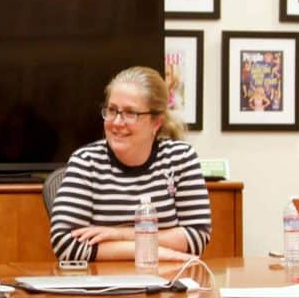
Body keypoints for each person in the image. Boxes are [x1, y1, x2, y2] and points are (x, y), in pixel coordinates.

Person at [50, 66, 212, 262]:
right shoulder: (85, 161)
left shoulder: (181, 158)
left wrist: (119, 234)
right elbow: (65, 244)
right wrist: (156, 252)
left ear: (156, 123)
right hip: (102, 286)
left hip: (167, 282)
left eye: (130, 113)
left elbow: (196, 238)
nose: (117, 122)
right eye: (112, 110)